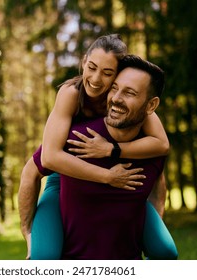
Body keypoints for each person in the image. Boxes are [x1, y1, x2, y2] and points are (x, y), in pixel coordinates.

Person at [18, 35, 177, 259]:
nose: (95, 79)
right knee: (44, 257)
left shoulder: (129, 103)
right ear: (83, 62)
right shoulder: (71, 94)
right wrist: (28, 232)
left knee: (165, 252)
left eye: (107, 73)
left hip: (115, 180)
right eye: (91, 67)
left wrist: (111, 149)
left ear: (118, 75)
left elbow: (161, 146)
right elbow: (49, 158)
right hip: (62, 178)